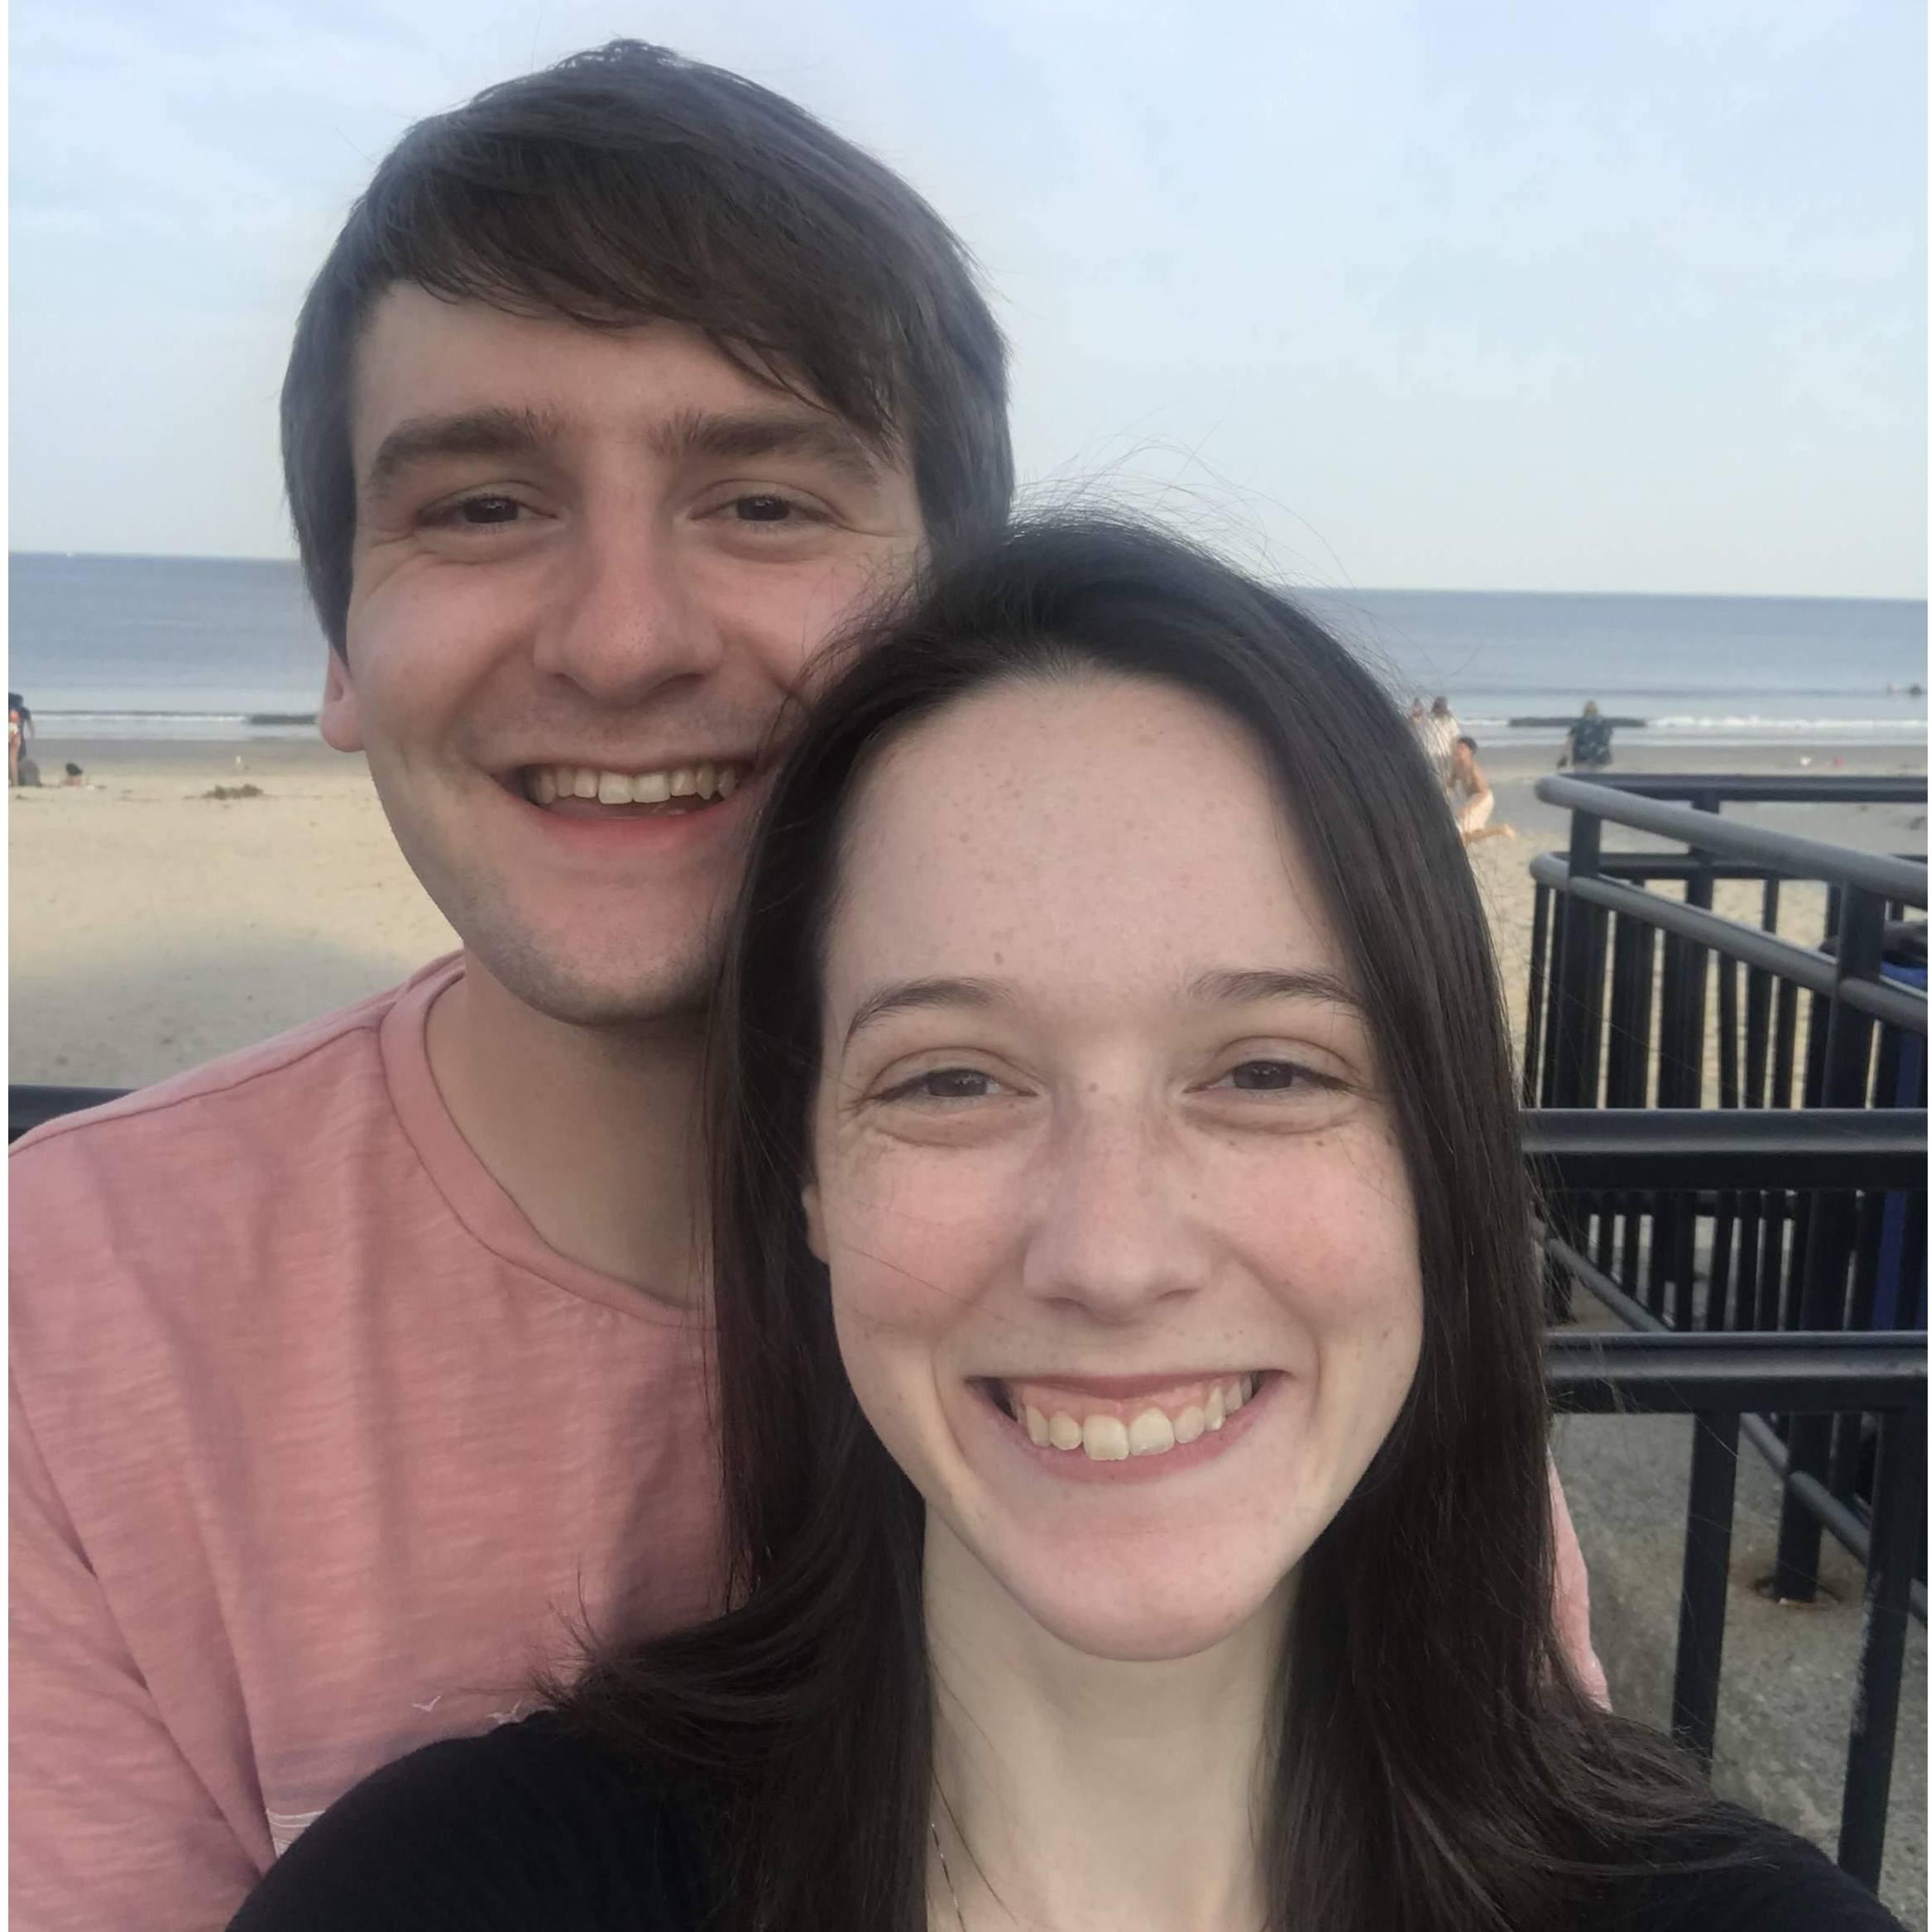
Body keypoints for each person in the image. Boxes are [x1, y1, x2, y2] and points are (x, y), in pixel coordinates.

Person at [230, 517, 1897, 1932]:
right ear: (805, 1167)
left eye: (1264, 1068)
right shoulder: (451, 1894)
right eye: (952, 1081)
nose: (1109, 1255)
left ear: (1438, 1163)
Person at [9, 41, 1009, 1932]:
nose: (621, 638)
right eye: (482, 506)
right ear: (340, 646)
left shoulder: (1231, 1242)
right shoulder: (68, 1313)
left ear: (963, 628)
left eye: (766, 501)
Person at [1446, 733, 1515, 844]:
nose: (1458, 750)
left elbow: (1483, 793)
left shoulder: (1474, 771)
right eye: (1457, 747)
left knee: (1465, 835)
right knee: (1463, 836)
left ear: (1470, 752)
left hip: (1483, 800)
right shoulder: (1456, 765)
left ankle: (1500, 829)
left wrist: (1467, 808)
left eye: (1462, 748)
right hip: (1469, 797)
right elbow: (1451, 783)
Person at [1412, 690, 1459, 782]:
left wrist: (1454, 754)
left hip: (1442, 753)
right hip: (1433, 752)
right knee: (1437, 776)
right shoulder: (1428, 718)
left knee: (1441, 776)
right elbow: (1414, 721)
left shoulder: (1448, 720)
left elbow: (1454, 739)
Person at [1560, 698, 1615, 771]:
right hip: (1601, 757)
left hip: (1582, 757)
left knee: (1582, 779)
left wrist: (1564, 755)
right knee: (1597, 780)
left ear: (1584, 710)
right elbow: (1607, 740)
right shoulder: (1605, 723)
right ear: (1597, 710)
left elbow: (1570, 740)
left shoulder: (1578, 723)